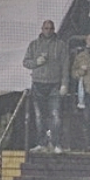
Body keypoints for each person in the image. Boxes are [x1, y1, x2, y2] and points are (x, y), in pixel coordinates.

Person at [23, 20, 69, 152]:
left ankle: (55, 143)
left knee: (55, 115)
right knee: (39, 116)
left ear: (54, 30)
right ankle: (42, 143)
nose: (48, 31)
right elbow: (25, 62)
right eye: (46, 28)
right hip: (38, 84)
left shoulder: (61, 45)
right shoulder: (34, 45)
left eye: (50, 28)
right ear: (42, 29)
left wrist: (64, 84)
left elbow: (65, 66)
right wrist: (36, 62)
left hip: (54, 84)